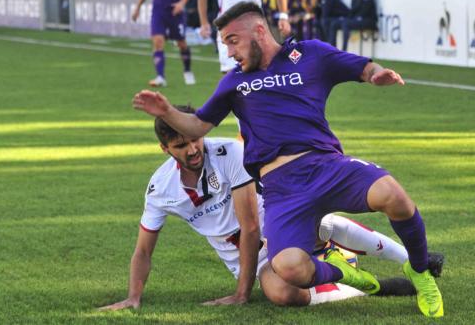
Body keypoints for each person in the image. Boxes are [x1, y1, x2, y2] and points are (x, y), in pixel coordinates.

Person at [131, 2, 444, 317]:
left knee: (395, 197)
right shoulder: (234, 83)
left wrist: (377, 75)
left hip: (326, 165)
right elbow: (197, 126)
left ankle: (420, 272)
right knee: (289, 269)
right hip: (282, 187)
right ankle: (344, 273)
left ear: (258, 31)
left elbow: (363, 67)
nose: (229, 53)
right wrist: (166, 112)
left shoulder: (310, 55)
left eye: (232, 41)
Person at [99, 106, 443, 310]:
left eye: (194, 138)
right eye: (180, 145)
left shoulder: (227, 155)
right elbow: (143, 250)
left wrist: (240, 294)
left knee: (320, 225)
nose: (192, 149)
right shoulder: (160, 189)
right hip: (251, 259)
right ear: (164, 148)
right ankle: (370, 284)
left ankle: (415, 262)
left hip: (279, 228)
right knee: (280, 294)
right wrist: (133, 296)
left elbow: (251, 227)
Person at [197, 0, 291, 73]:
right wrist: (204, 23)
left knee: (261, 70)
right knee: (231, 74)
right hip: (228, 29)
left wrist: (283, 17)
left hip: (254, 29)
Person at [132, 0, 196, 87]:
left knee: (181, 44)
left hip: (176, 9)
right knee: (158, 41)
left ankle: (187, 70)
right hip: (159, 10)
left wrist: (182, 3)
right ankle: (160, 77)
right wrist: (138, 6)